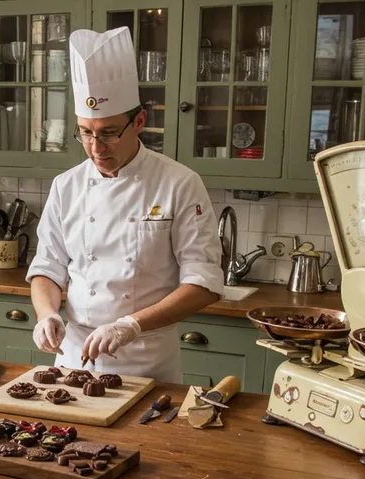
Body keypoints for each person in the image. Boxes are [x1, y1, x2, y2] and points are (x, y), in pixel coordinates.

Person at [27, 27, 224, 382]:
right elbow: (48, 266)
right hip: (73, 360)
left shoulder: (179, 183)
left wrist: (130, 325)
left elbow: (204, 283)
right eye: (85, 132)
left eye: (108, 132)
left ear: (139, 122)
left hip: (146, 363)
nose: (96, 147)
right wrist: (47, 314)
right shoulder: (66, 185)